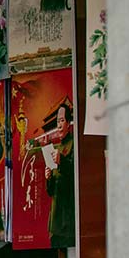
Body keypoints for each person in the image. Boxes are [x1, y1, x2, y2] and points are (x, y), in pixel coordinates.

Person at [45, 102, 75, 248]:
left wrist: (61, 161)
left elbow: (75, 177)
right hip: (55, 221)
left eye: (62, 120)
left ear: (69, 123)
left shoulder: (74, 144)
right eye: (57, 121)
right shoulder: (56, 148)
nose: (59, 124)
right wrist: (48, 178)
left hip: (67, 219)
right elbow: (50, 191)